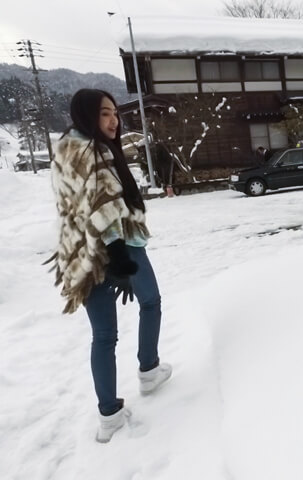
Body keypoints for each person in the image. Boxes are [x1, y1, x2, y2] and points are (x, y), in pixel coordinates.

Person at [46, 89, 172, 443]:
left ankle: (109, 415)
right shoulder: (95, 151)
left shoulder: (65, 151)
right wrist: (119, 257)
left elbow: (75, 207)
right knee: (151, 302)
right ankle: (148, 370)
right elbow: (104, 208)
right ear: (87, 115)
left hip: (81, 254)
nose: (114, 120)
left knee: (103, 336)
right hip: (119, 247)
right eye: (105, 114)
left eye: (115, 112)